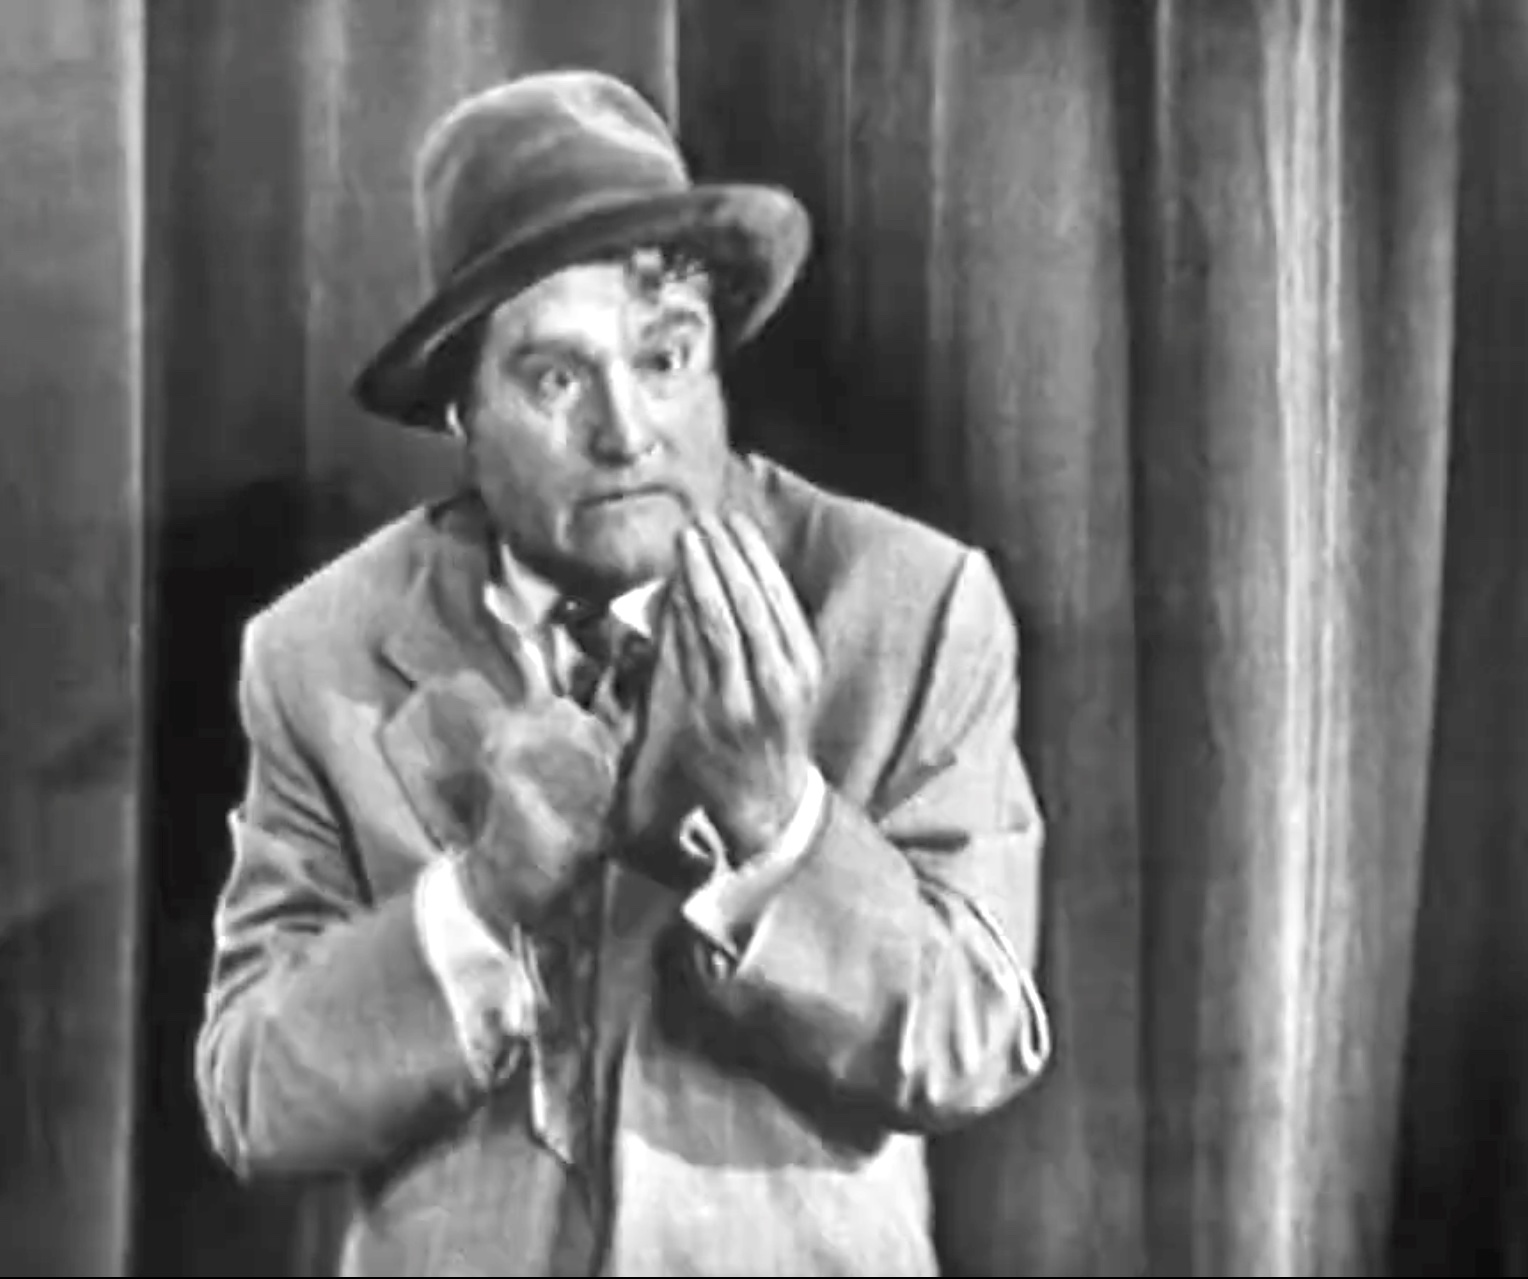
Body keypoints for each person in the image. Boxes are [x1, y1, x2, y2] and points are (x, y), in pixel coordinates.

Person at [194, 68, 1052, 1277]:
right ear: (460, 413)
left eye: (665, 356)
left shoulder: (912, 602)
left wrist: (778, 821)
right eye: (556, 377)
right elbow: (254, 1096)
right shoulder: (317, 652)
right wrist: (483, 895)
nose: (627, 429)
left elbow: (973, 1039)